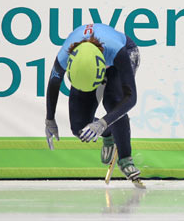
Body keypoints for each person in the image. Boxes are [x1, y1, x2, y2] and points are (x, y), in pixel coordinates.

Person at [44, 23, 142, 183]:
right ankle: (109, 133)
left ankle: (125, 158)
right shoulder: (65, 55)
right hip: (88, 63)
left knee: (113, 101)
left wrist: (104, 121)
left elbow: (131, 98)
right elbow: (53, 83)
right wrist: (49, 119)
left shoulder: (117, 51)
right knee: (78, 127)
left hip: (125, 51)